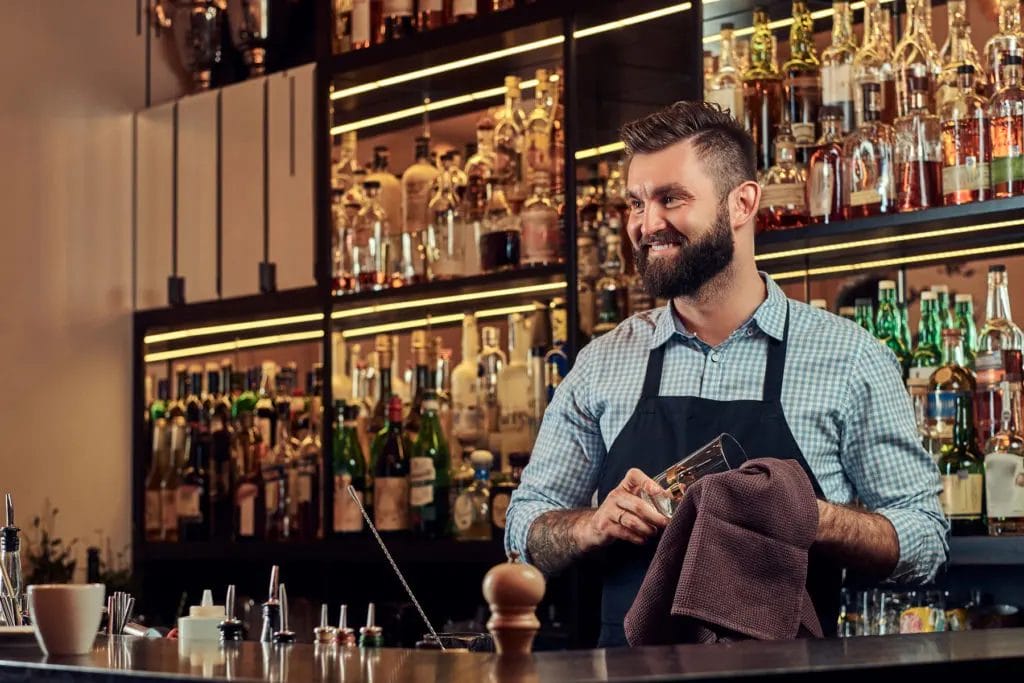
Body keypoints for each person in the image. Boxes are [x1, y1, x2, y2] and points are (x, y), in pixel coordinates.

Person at [504, 101, 948, 647]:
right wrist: (592, 524)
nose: (647, 225)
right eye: (636, 203)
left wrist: (813, 517)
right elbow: (523, 531)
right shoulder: (602, 364)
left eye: (672, 199)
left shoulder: (850, 358)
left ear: (742, 203)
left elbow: (926, 540)